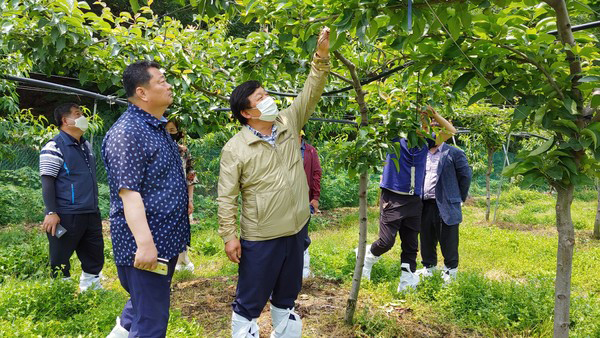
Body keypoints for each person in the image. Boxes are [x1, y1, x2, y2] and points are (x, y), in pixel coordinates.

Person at [218, 27, 330, 338]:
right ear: (247, 112)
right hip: (261, 237)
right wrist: (229, 236)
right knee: (249, 303)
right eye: (261, 97)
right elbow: (226, 197)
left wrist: (320, 58)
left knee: (286, 297)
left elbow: (311, 91)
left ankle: (285, 331)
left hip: (295, 230)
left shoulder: (287, 123)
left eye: (267, 94)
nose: (269, 100)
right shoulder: (236, 148)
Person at [102, 61, 189, 338]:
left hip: (166, 239)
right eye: (162, 81)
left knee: (143, 304)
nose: (169, 85)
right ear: (142, 92)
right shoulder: (127, 133)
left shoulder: (156, 127)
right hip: (148, 244)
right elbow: (129, 194)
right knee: (151, 322)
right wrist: (145, 244)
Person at [358, 107, 456, 292]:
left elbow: (451, 131)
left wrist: (433, 114)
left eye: (427, 123)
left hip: (414, 200)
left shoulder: (424, 142)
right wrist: (404, 106)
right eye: (422, 122)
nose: (426, 125)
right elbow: (387, 119)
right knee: (386, 241)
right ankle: (367, 258)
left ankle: (406, 283)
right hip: (393, 197)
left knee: (411, 244)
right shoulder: (395, 138)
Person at [39, 103, 104, 292]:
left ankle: (91, 287)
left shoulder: (86, 146)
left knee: (94, 252)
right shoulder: (53, 147)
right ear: (65, 121)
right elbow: (47, 181)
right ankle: (62, 291)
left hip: (90, 211)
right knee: (60, 255)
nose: (83, 117)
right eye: (78, 114)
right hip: (66, 213)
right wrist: (51, 211)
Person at [415, 126, 472, 283]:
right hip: (424, 203)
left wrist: (457, 197)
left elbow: (465, 177)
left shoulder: (454, 153)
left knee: (448, 238)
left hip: (446, 203)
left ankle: (450, 272)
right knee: (426, 237)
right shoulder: (422, 153)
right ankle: (429, 268)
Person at [166, 118, 198, 272]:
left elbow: (190, 175)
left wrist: (190, 200)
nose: (169, 134)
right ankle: (168, 261)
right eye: (166, 130)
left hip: (180, 197)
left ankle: (183, 259)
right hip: (162, 199)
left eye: (173, 131)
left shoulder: (183, 152)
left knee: (182, 228)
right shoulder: (155, 150)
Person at [299, 130, 322, 279]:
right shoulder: (281, 148)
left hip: (304, 199)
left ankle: (304, 269)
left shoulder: (310, 151)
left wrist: (315, 197)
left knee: (302, 233)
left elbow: (316, 173)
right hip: (284, 200)